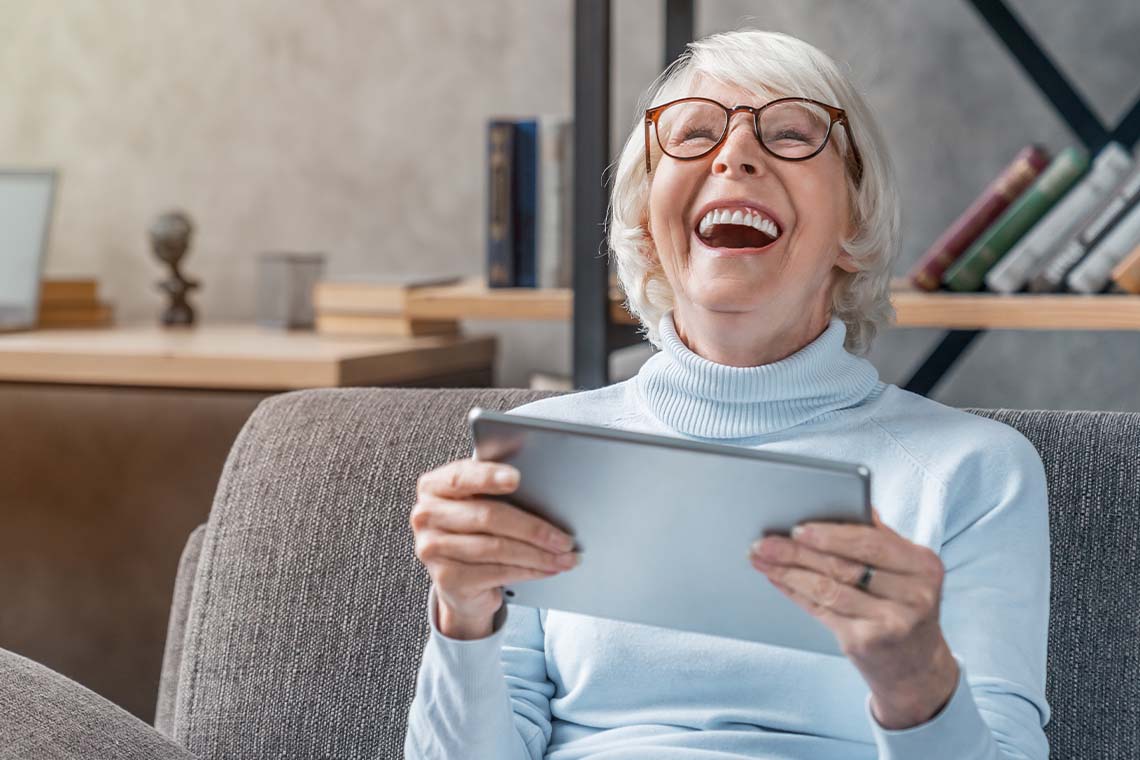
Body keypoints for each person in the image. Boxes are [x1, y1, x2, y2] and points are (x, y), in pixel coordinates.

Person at [404, 28, 1050, 760]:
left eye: (791, 134)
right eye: (696, 133)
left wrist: (917, 681)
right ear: (648, 225)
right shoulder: (540, 457)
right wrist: (462, 616)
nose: (736, 154)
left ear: (855, 221)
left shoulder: (976, 471)